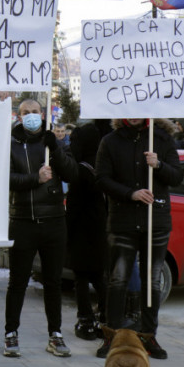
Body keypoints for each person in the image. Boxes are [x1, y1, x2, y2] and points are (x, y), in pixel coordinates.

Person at [96, 119, 182, 360]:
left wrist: (159, 164)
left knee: (152, 281)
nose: (134, 115)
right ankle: (111, 336)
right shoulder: (110, 141)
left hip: (156, 222)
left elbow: (177, 176)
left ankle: (148, 335)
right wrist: (130, 194)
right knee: (117, 279)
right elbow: (101, 178)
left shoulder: (163, 139)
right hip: (123, 221)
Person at [4, 99, 78, 358]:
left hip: (54, 220)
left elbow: (73, 174)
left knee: (53, 282)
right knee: (18, 281)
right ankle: (11, 333)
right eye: (26, 113)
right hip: (23, 220)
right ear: (19, 116)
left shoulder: (54, 141)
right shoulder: (11, 143)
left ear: (42, 113)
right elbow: (7, 179)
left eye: (35, 112)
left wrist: (55, 150)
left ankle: (55, 334)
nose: (31, 116)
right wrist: (36, 178)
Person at [66, 120, 111, 340]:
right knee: (100, 277)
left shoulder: (80, 170)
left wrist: (67, 232)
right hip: (101, 229)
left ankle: (86, 320)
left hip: (82, 231)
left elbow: (73, 207)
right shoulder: (103, 166)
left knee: (81, 278)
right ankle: (105, 318)